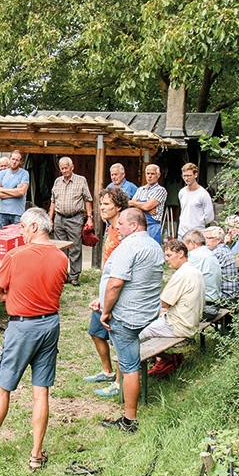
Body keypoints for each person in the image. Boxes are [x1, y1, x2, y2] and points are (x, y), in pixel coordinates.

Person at [0, 208, 67, 470]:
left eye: (21, 227)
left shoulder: (15, 256)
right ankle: (36, 454)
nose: (20, 232)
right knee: (41, 391)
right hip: (50, 324)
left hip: (22, 327)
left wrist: (17, 296)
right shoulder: (62, 257)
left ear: (32, 227)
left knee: (1, 388)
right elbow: (52, 290)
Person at [94, 208, 163, 431]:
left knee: (129, 366)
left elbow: (116, 283)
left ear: (134, 225)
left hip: (126, 317)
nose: (117, 227)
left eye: (121, 223)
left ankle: (129, 419)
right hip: (145, 312)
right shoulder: (154, 245)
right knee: (130, 362)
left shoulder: (129, 247)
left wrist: (105, 311)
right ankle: (129, 413)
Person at [83, 187, 129, 390]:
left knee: (117, 339)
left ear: (118, 207)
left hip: (117, 292)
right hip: (105, 289)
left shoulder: (123, 231)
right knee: (95, 331)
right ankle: (107, 372)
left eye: (107, 204)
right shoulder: (110, 228)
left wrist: (110, 296)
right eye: (101, 204)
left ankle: (119, 383)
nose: (102, 208)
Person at [141, 239, 205, 378]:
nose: (167, 260)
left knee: (134, 335)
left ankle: (137, 369)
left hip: (177, 326)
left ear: (181, 253)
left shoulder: (182, 274)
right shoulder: (195, 271)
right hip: (190, 322)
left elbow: (164, 303)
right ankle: (165, 359)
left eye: (169, 255)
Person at [49, 156, 93, 286]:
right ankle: (63, 274)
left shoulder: (80, 180)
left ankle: (74, 276)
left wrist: (89, 218)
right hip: (59, 218)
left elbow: (87, 199)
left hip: (75, 218)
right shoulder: (57, 181)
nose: (63, 171)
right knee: (60, 248)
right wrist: (50, 219)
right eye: (61, 168)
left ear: (72, 167)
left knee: (75, 247)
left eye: (66, 168)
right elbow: (53, 201)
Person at [182, 230, 222, 319]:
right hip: (215, 304)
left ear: (192, 243)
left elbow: (183, 281)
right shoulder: (210, 253)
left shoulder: (194, 256)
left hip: (205, 308)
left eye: (185, 246)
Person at [129, 164, 168, 244]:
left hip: (152, 227)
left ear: (158, 175)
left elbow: (147, 206)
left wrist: (140, 206)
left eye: (152, 174)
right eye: (148, 173)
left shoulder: (160, 190)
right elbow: (131, 205)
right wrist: (146, 209)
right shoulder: (140, 189)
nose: (150, 176)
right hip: (138, 226)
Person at [203, 226, 239, 302]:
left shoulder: (217, 253)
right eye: (204, 238)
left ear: (219, 240)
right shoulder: (224, 248)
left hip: (225, 297)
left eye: (209, 238)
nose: (206, 241)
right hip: (232, 294)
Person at [0, 150, 30, 228]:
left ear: (20, 162)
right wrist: (15, 191)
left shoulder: (24, 174)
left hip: (17, 213)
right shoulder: (2, 173)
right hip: (2, 212)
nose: (14, 162)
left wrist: (2, 189)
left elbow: (22, 192)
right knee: (2, 237)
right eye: (13, 159)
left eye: (17, 160)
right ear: (9, 159)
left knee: (16, 237)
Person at [177, 163, 214, 238]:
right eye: (184, 176)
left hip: (197, 233)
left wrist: (198, 222)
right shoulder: (182, 192)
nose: (186, 178)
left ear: (195, 175)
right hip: (182, 232)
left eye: (189, 176)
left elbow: (210, 216)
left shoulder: (203, 194)